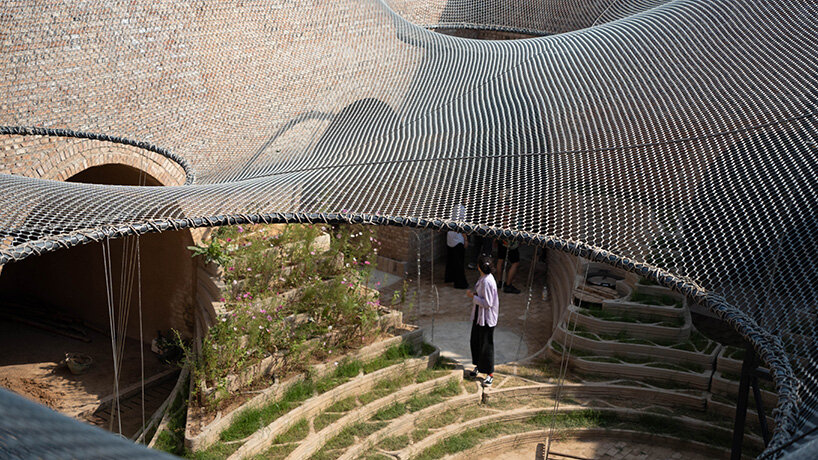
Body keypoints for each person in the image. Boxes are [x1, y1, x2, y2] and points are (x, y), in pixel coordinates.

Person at [466, 255, 499, 387]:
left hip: (486, 319)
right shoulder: (484, 278)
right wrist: (475, 295)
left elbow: (488, 303)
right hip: (479, 317)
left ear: (479, 267)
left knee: (486, 346)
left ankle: (489, 373)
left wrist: (471, 297)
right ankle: (479, 366)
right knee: (476, 341)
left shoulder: (487, 281)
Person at [445, 199, 469, 289]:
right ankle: (460, 283)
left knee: (451, 259)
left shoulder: (454, 207)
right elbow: (461, 226)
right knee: (459, 261)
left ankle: (449, 278)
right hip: (458, 238)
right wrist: (466, 239)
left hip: (450, 236)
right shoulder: (462, 209)